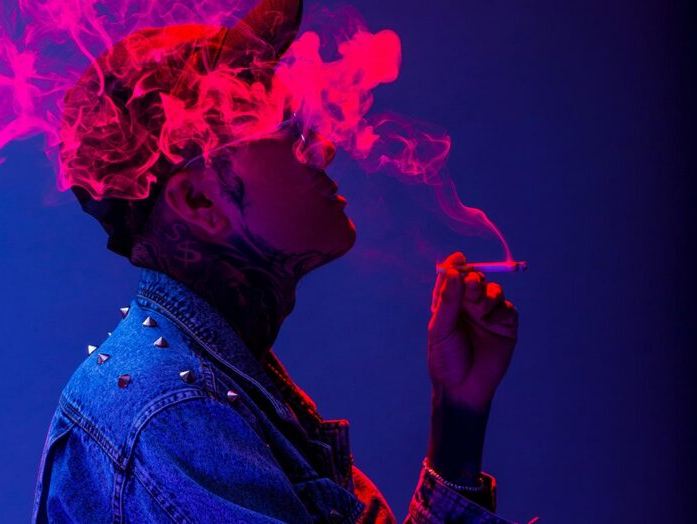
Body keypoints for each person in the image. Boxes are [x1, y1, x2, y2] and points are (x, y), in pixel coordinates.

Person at [31, 0, 521, 522]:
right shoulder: (175, 413)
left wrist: (458, 415)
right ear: (199, 202)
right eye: (287, 131)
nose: (324, 148)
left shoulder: (228, 387)